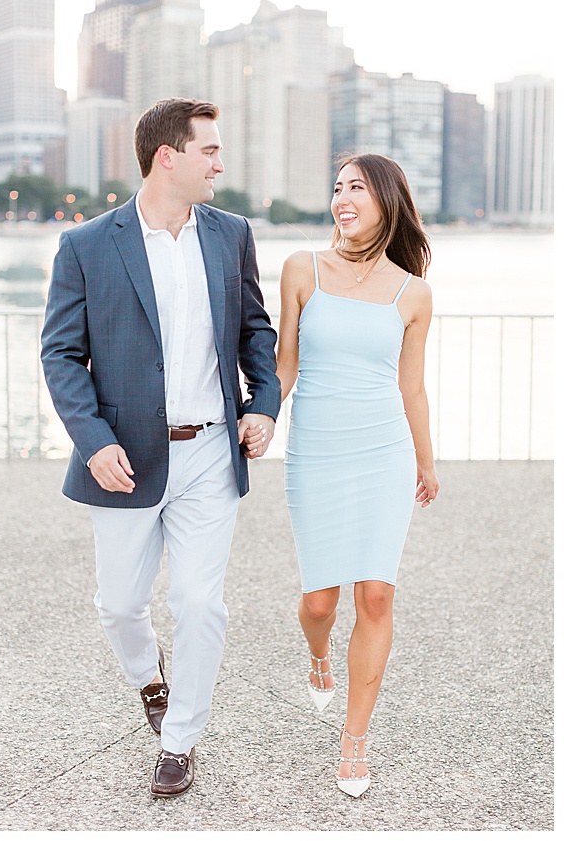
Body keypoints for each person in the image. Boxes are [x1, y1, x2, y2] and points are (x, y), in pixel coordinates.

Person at [40, 98, 281, 797]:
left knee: (202, 603)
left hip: (211, 451)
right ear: (166, 156)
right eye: (209, 150)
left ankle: (180, 741)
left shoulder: (231, 234)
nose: (221, 163)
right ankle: (150, 677)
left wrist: (262, 404)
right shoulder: (86, 245)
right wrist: (93, 441)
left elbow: (256, 334)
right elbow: (60, 354)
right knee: (118, 603)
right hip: (126, 456)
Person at [276, 152, 438, 797]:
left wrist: (426, 460)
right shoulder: (301, 270)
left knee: (376, 595)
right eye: (338, 188)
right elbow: (284, 367)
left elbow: (413, 389)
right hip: (316, 450)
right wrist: (256, 418)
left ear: (387, 202)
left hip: (384, 453)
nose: (343, 199)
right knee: (320, 601)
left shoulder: (413, 293)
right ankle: (319, 657)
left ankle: (355, 739)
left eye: (358, 190)